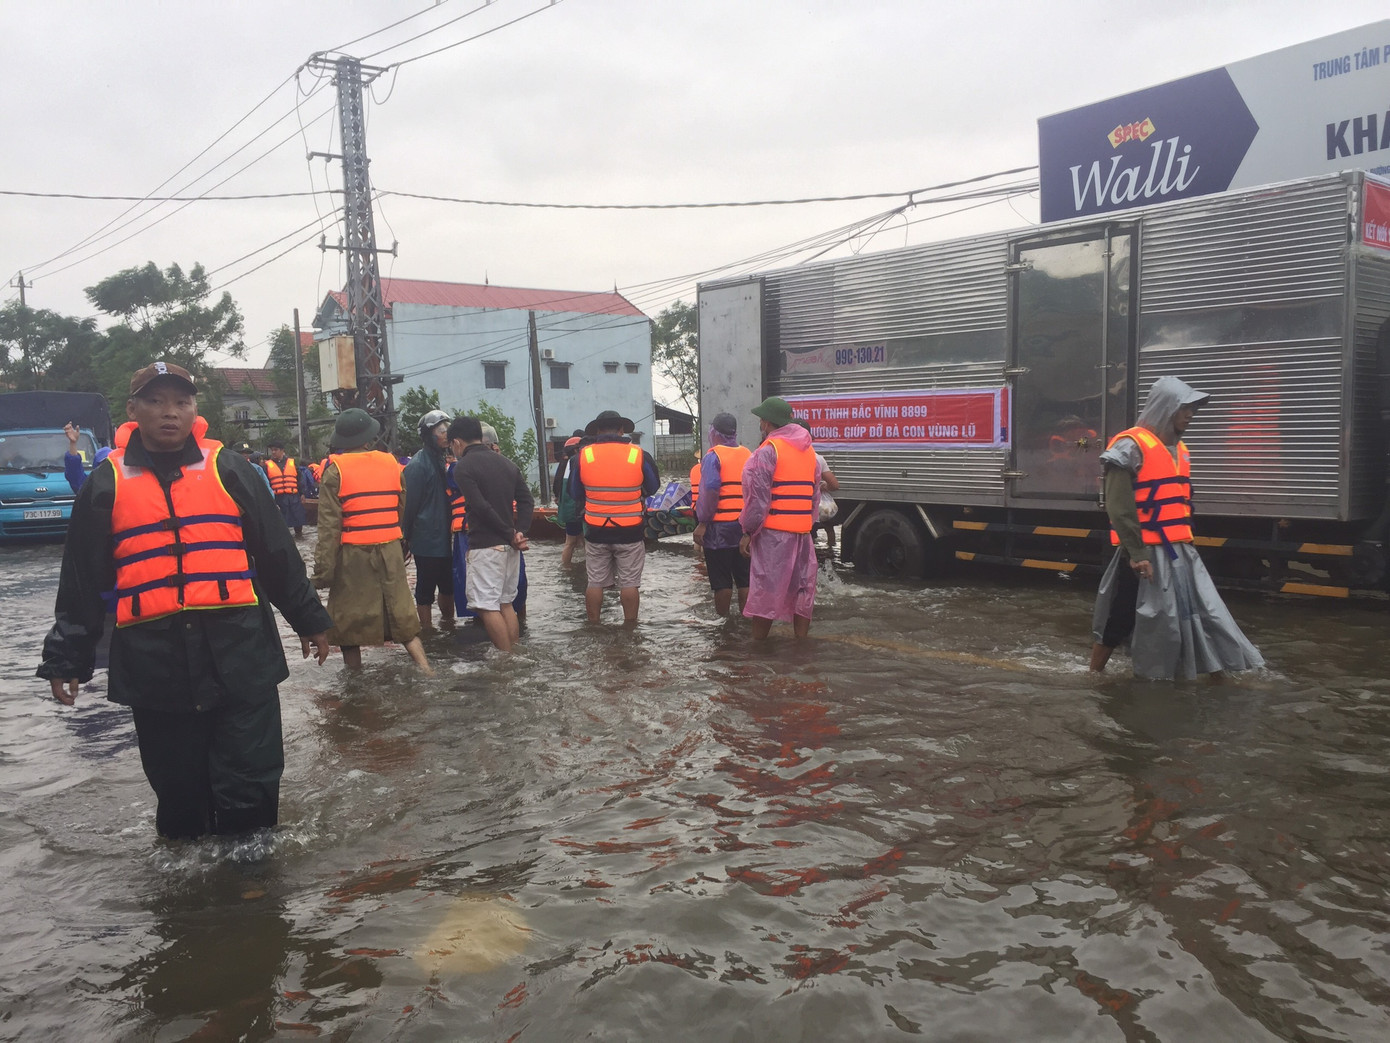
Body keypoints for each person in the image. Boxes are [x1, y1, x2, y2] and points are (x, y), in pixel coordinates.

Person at [36, 361, 332, 841]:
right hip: (155, 663)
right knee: (179, 797)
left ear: (195, 409)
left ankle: (253, 885)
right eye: (155, 401)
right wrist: (67, 658)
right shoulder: (106, 482)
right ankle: (187, 896)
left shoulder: (231, 469)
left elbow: (277, 554)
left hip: (241, 653)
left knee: (250, 782)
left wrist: (309, 619)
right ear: (133, 410)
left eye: (181, 402)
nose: (169, 412)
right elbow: (81, 581)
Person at [1090, 376, 1265, 680]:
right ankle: (1093, 673)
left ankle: (1221, 674)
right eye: (1185, 408)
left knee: (1201, 611)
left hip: (1179, 550)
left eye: (1192, 409)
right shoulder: (1129, 445)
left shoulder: (1179, 449)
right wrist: (1137, 552)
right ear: (1166, 407)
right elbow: (1119, 505)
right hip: (1142, 551)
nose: (1190, 414)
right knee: (1122, 613)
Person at [312, 408, 430, 673]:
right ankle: (427, 671)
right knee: (402, 619)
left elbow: (328, 529)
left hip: (354, 557)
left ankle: (355, 682)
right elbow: (400, 509)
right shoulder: (392, 464)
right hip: (390, 551)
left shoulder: (334, 472)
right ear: (369, 437)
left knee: (348, 626)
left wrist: (322, 574)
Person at [448, 416, 533, 652]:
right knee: (506, 603)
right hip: (510, 548)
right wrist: (520, 532)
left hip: (486, 546)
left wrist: (509, 534)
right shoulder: (506, 463)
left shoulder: (463, 467)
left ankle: (505, 661)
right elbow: (527, 500)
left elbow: (480, 507)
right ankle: (513, 654)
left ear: (456, 442)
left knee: (486, 607)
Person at [739, 396, 822, 640]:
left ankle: (758, 649)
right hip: (803, 534)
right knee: (803, 591)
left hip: (773, 535)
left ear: (766, 422)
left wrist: (747, 532)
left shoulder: (768, 451)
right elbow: (814, 498)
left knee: (766, 591)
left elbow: (758, 499)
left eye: (761, 419)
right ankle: (801, 646)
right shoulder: (810, 453)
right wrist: (806, 526)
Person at [570, 409, 660, 625]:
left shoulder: (584, 455)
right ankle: (630, 629)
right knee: (629, 583)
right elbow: (654, 486)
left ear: (598, 431)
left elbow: (574, 493)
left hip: (595, 529)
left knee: (595, 582)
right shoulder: (638, 454)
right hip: (630, 530)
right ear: (621, 430)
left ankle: (594, 626)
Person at [692, 412, 752, 617]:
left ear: (715, 432)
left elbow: (710, 489)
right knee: (745, 578)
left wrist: (703, 522)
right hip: (744, 527)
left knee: (722, 581)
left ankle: (723, 623)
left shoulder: (712, 456)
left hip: (719, 527)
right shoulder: (748, 454)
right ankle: (746, 620)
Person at [402, 409, 455, 629]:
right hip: (426, 539)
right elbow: (409, 506)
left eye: (446, 430)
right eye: (439, 431)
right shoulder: (417, 465)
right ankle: (426, 631)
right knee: (425, 589)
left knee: (448, 585)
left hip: (445, 536)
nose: (445, 434)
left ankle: (448, 624)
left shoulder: (445, 461)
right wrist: (405, 538)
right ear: (428, 435)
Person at [263, 439, 307, 538]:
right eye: (272, 450)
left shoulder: (292, 463)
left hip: (293, 495)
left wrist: (302, 493)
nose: (273, 452)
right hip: (278, 496)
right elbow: (266, 482)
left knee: (297, 515)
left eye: (276, 450)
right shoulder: (267, 465)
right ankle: (283, 536)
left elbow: (299, 479)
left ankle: (299, 533)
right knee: (281, 518)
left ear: (282, 450)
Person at [553, 435, 584, 567]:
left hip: (568, 509)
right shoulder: (576, 462)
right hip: (575, 510)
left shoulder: (566, 463)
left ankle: (571, 568)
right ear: (576, 450)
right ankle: (567, 567)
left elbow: (557, 485)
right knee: (571, 542)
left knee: (575, 540)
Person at [62, 420, 110, 494]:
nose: (107, 467)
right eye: (103, 463)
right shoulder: (91, 486)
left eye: (110, 463)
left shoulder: (123, 484)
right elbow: (75, 474)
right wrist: (73, 443)